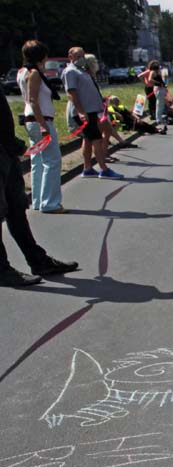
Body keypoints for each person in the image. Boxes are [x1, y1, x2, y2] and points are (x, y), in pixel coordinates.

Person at [0, 82, 78, 287]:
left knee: (16, 208)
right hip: (3, 150)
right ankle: (2, 270)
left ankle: (38, 260)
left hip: (6, 152)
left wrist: (11, 144)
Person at [17, 41, 65, 212]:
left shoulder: (22, 72)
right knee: (52, 161)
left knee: (37, 161)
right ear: (41, 56)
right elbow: (33, 100)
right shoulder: (35, 74)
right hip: (41, 120)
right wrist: (43, 124)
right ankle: (50, 202)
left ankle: (38, 200)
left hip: (31, 121)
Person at [64, 46, 123, 179]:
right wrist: (80, 112)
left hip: (91, 110)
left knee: (89, 139)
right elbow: (72, 93)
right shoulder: (70, 72)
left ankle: (87, 168)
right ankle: (104, 169)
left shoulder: (81, 71)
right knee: (97, 139)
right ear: (70, 57)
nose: (81, 59)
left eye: (82, 56)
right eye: (78, 56)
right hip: (85, 112)